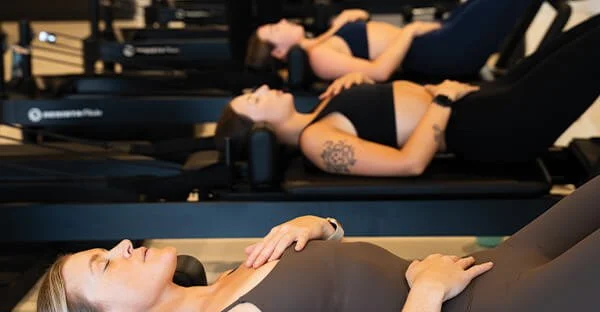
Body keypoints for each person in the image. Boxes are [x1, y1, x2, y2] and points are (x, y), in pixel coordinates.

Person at [20, 173, 600, 312]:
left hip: (489, 271)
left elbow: (342, 300)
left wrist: (320, 226)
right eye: (105, 264)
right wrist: (425, 293)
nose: (122, 246)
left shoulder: (226, 278)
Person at [218, 14, 600, 176]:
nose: (264, 88)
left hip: (485, 101)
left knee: (588, 33)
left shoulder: (321, 110)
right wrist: (441, 101)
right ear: (261, 128)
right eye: (254, 100)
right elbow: (408, 163)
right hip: (496, 126)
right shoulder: (316, 142)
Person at [246, 0, 538, 81]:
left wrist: (351, 16)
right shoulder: (319, 58)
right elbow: (379, 72)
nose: (282, 21)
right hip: (440, 53)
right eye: (274, 29)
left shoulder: (321, 40)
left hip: (436, 39)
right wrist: (409, 32)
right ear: (281, 52)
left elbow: (365, 30)